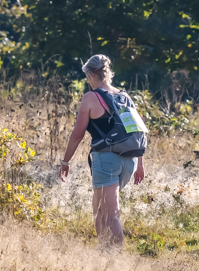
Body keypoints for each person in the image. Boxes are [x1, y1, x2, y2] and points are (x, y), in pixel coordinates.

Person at [57, 54, 145, 247]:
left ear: (90, 74)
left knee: (110, 214)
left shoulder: (91, 97)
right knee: (98, 209)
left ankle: (116, 260)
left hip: (107, 160)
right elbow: (136, 130)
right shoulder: (124, 96)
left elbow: (77, 135)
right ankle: (104, 254)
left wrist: (65, 162)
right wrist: (140, 164)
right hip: (128, 160)